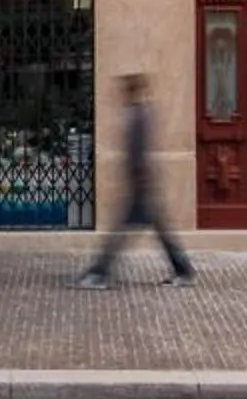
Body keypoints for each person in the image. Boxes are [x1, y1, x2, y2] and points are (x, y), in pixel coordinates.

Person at [77, 72, 195, 284]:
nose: (120, 95)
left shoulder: (139, 116)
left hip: (140, 184)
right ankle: (184, 271)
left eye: (124, 90)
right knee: (158, 230)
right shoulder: (138, 113)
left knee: (121, 232)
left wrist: (138, 181)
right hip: (142, 184)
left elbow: (138, 151)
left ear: (131, 92)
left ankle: (99, 273)